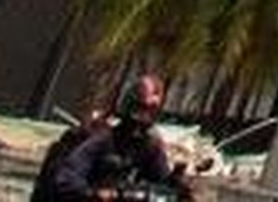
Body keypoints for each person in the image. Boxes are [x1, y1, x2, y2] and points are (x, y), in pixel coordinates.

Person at [54, 76, 194, 202]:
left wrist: (177, 184)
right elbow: (66, 180)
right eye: (140, 109)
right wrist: (95, 194)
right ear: (129, 105)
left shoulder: (150, 146)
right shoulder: (101, 139)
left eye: (151, 111)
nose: (143, 118)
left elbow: (162, 183)